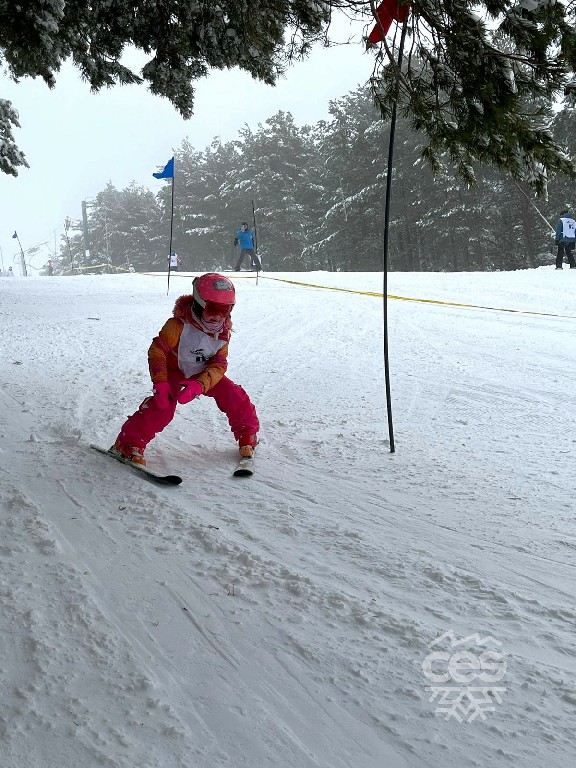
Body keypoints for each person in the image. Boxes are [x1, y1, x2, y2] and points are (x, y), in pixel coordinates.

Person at [110, 273, 259, 467]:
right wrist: (160, 382)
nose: (218, 317)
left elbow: (219, 364)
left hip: (200, 372)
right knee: (163, 407)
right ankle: (128, 443)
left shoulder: (222, 333)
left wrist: (199, 385)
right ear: (199, 304)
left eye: (226, 310)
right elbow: (158, 351)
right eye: (213, 309)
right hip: (174, 370)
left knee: (233, 394)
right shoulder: (178, 326)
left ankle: (248, 434)